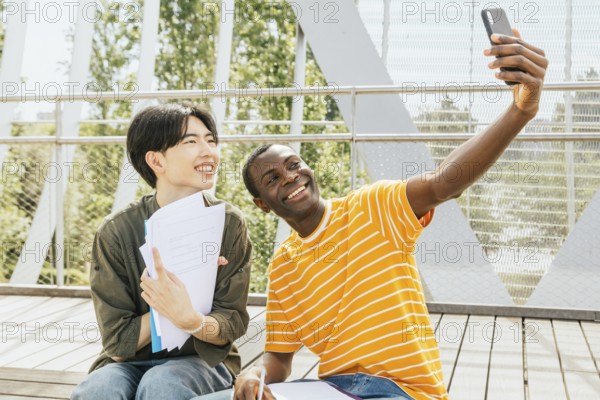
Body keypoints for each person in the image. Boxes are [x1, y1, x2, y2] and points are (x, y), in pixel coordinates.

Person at [195, 31, 547, 400]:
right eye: (273, 178)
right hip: (330, 389)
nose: (290, 177)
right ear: (262, 204)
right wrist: (254, 374)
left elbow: (446, 183)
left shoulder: (373, 206)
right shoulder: (283, 267)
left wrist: (519, 111)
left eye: (294, 164)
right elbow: (279, 362)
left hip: (402, 391)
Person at [71, 104, 253, 400]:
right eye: (191, 142)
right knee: (98, 390)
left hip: (201, 360)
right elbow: (118, 345)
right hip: (130, 363)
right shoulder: (116, 231)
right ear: (156, 160)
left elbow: (230, 323)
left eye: (211, 140)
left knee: (162, 384)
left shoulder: (228, 224)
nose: (209, 151)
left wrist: (190, 319)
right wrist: (166, 301)